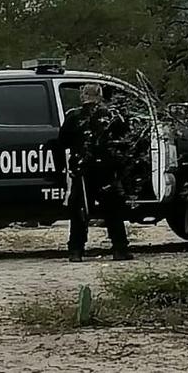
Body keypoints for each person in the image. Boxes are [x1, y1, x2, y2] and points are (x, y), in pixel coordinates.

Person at [57, 83, 133, 262]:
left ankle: (76, 251)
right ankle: (119, 249)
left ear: (83, 96)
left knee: (80, 212)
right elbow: (125, 140)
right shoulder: (112, 116)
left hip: (82, 171)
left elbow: (63, 141)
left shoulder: (73, 117)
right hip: (106, 171)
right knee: (113, 212)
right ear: (100, 96)